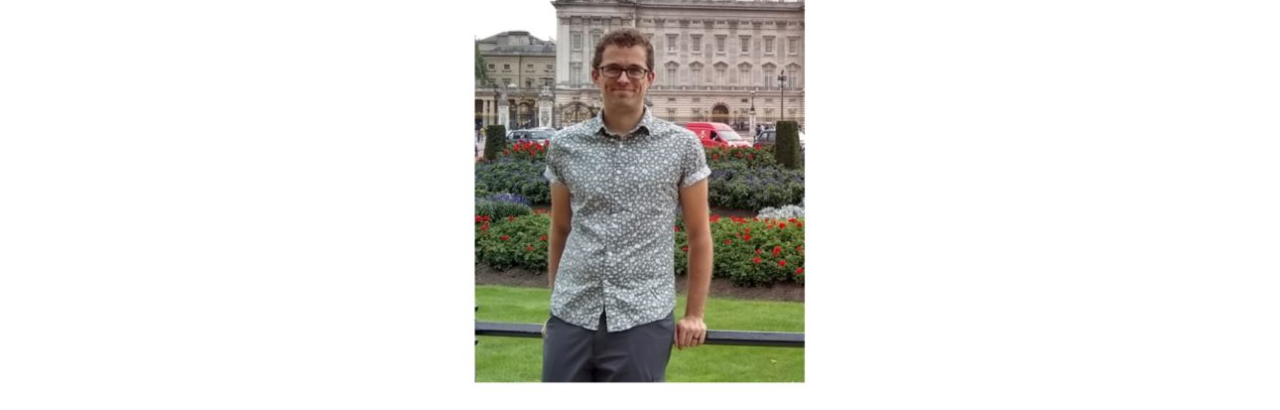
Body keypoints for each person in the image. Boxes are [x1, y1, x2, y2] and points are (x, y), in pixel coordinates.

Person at [540, 27, 713, 383]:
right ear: (596, 75)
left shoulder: (682, 146)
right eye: (612, 69)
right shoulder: (564, 145)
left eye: (634, 70)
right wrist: (557, 302)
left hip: (641, 317)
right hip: (572, 314)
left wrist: (694, 314)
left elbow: (699, 236)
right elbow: (560, 229)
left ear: (649, 78)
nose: (623, 78)